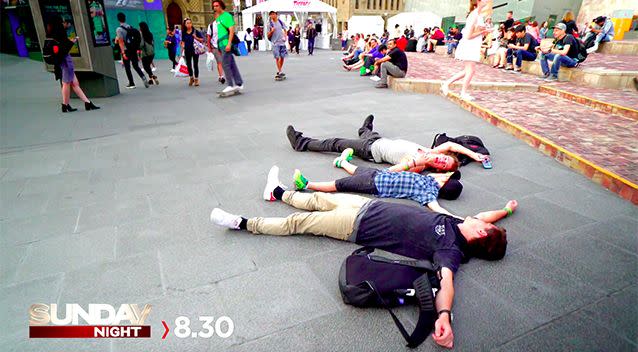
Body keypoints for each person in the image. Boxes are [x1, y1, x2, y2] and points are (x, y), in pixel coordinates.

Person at [210, 166, 516, 349]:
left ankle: (242, 223)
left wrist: (445, 318)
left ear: (479, 236)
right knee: (318, 198)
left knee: (297, 223)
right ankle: (278, 192)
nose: (480, 218)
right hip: (366, 205)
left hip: (354, 226)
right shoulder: (457, 222)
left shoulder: (451, 249)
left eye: (485, 225)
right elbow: (486, 216)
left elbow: (447, 283)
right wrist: (508, 210)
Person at [286, 115, 487, 173]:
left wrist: (413, 162)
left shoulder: (419, 165)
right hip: (378, 140)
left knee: (335, 143)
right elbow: (452, 146)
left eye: (442, 165)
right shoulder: (431, 151)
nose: (441, 160)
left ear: (437, 168)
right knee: (369, 133)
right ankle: (364, 129)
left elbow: (394, 172)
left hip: (370, 151)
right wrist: (474, 155)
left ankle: (301, 143)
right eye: (445, 159)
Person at [292, 149, 464, 216]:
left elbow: (439, 210)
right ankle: (342, 162)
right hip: (379, 175)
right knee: (358, 170)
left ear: (444, 185)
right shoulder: (428, 179)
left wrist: (458, 218)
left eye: (445, 178)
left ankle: (306, 185)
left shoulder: (429, 193)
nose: (442, 176)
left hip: (375, 185)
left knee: (339, 184)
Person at [46, 16, 100, 113]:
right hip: (66, 60)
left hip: (61, 61)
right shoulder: (60, 31)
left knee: (74, 83)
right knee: (67, 83)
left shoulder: (51, 32)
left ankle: (87, 103)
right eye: (63, 21)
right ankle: (65, 105)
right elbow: (65, 47)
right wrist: (73, 41)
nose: (64, 23)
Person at [441, 0, 491, 101]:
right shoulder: (475, 15)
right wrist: (483, 31)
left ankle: (447, 84)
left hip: (472, 45)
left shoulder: (477, 14)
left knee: (468, 71)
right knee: (470, 71)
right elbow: (468, 36)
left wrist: (483, 32)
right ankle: (462, 92)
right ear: (478, 1)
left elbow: (474, 32)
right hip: (470, 45)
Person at [212, 0, 244, 94]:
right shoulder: (218, 18)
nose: (215, 8)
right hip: (221, 44)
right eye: (214, 6)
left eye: (217, 5)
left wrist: (229, 43)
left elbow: (231, 30)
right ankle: (239, 83)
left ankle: (230, 85)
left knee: (225, 64)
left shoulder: (227, 16)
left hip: (226, 43)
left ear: (221, 6)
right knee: (232, 64)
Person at [116, 12, 149, 89]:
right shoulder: (130, 27)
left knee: (127, 67)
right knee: (135, 66)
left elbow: (121, 41)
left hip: (126, 50)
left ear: (118, 19)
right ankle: (143, 77)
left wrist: (123, 52)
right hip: (133, 49)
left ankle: (131, 83)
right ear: (125, 18)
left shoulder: (119, 29)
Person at [180, 17, 204, 87]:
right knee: (189, 65)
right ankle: (191, 77)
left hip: (195, 50)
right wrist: (181, 52)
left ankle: (196, 79)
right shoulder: (183, 33)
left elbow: (202, 40)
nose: (189, 24)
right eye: (187, 23)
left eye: (190, 23)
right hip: (187, 51)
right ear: (184, 24)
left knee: (195, 65)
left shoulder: (195, 31)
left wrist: (195, 37)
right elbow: (182, 42)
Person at [206, 14, 227, 84]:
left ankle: (222, 75)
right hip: (215, 47)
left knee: (224, 61)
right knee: (220, 62)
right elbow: (208, 37)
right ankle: (221, 76)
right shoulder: (211, 25)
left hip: (224, 46)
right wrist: (209, 48)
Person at [268, 11, 288, 79]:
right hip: (275, 43)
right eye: (271, 15)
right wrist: (271, 31)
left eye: (273, 14)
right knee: (277, 57)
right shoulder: (270, 24)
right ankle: (280, 71)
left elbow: (285, 29)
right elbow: (267, 35)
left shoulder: (280, 22)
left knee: (282, 57)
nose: (272, 16)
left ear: (276, 15)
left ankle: (280, 70)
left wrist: (285, 36)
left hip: (282, 42)